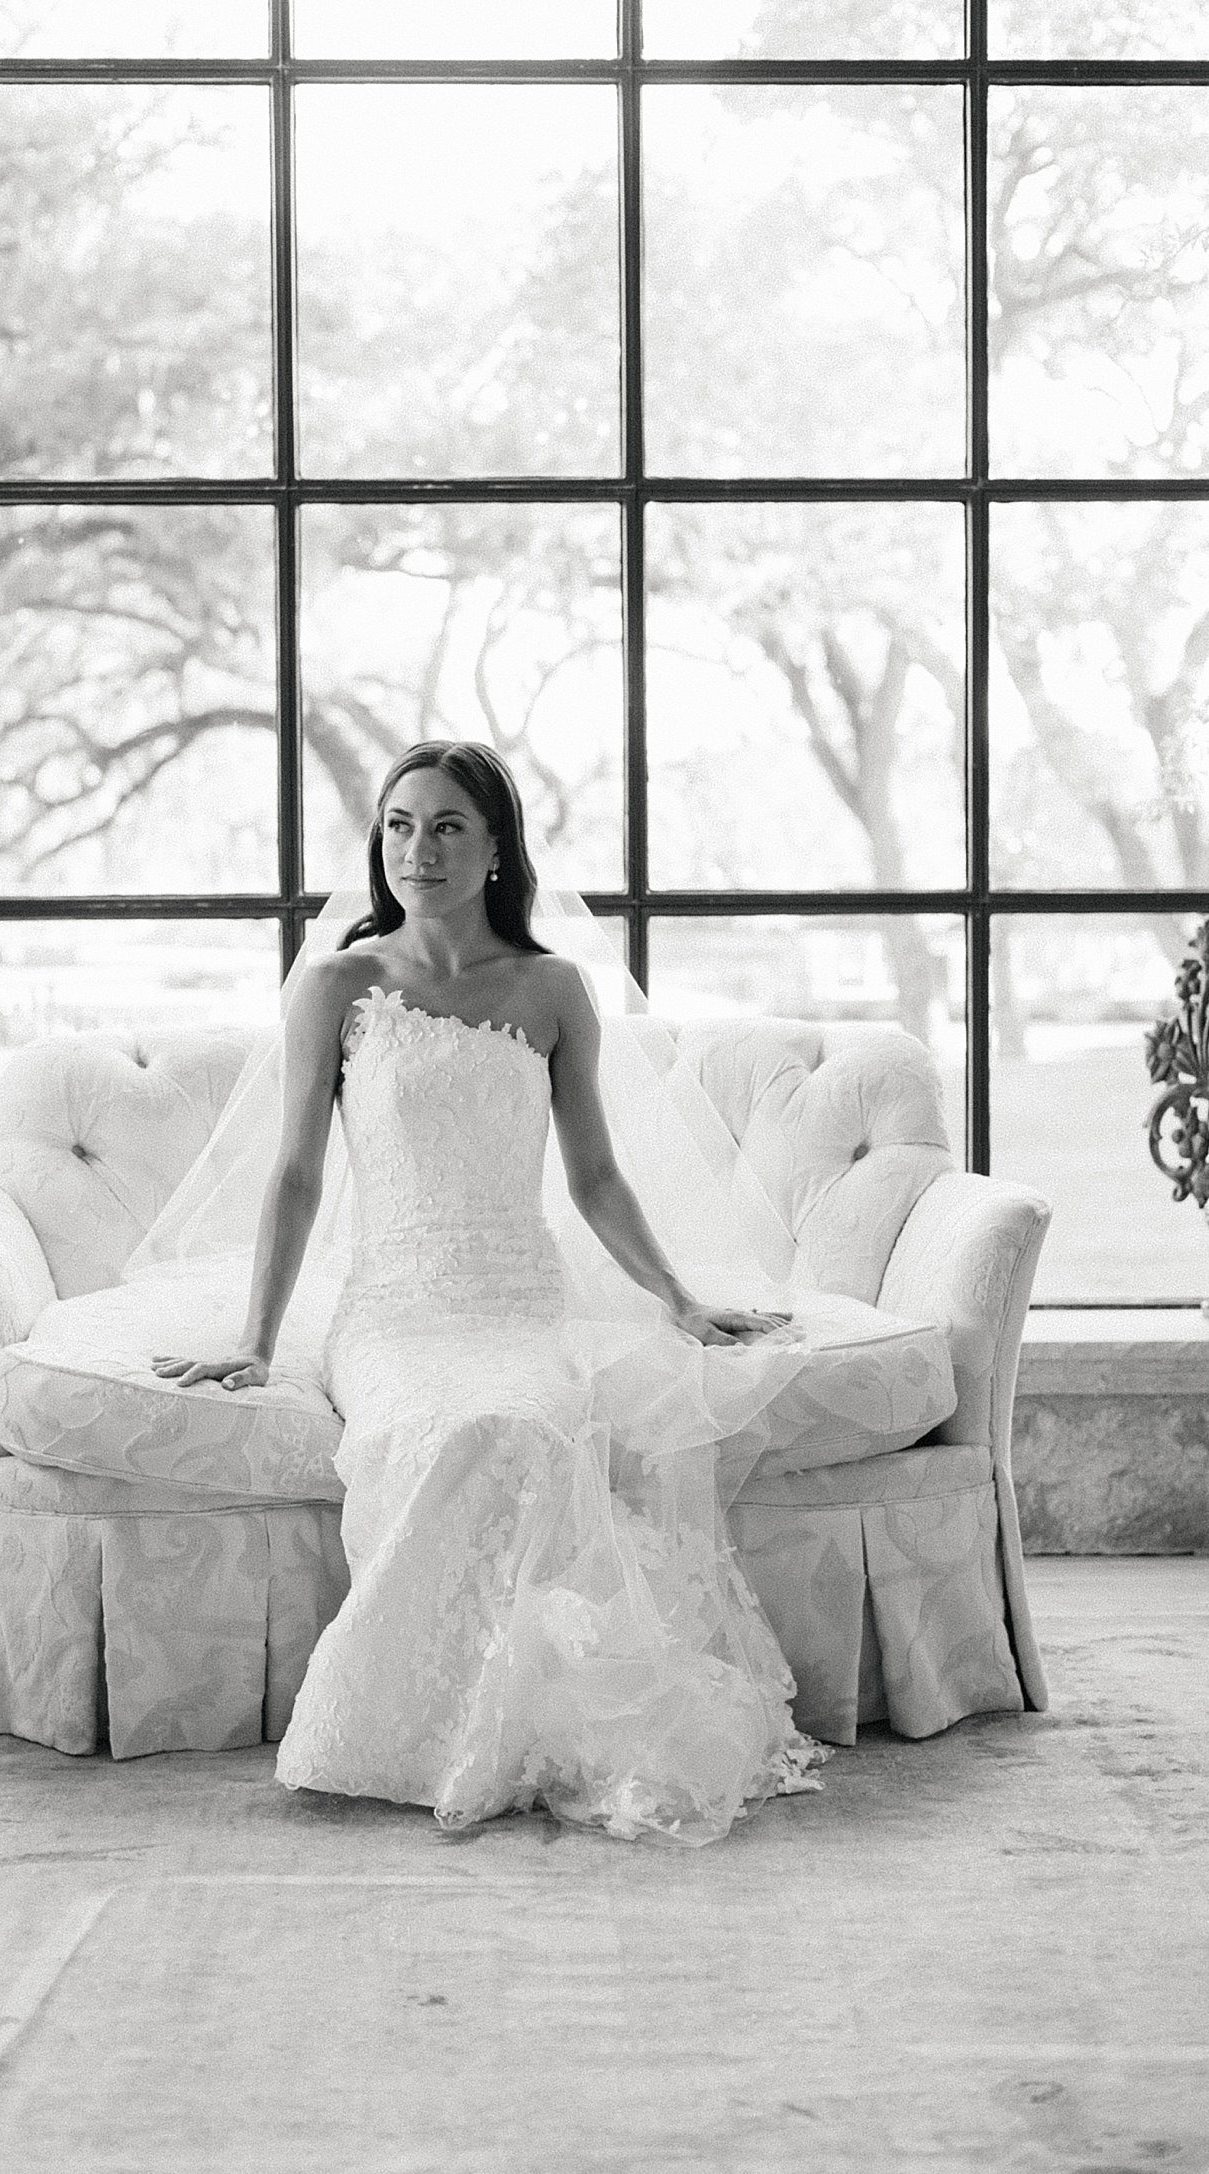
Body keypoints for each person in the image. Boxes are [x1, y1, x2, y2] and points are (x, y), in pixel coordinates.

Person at [150, 742, 826, 1843]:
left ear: (499, 844)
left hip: (517, 1303)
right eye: (401, 824)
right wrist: (255, 1340)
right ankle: (404, 1727)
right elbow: (294, 1173)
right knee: (443, 1429)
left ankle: (500, 1722)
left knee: (524, 1423)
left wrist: (677, 1295)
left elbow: (596, 1173)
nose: (420, 848)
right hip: (397, 1312)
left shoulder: (555, 988)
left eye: (449, 825)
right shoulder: (338, 984)